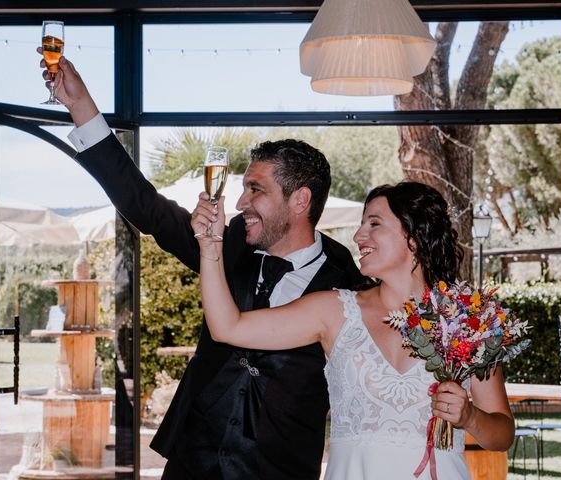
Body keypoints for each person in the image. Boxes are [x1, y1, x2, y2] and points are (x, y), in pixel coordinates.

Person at [40, 54, 366, 479]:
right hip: (191, 462)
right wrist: (81, 105)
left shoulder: (350, 288)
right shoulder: (225, 245)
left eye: (255, 190)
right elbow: (146, 207)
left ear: (300, 201)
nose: (242, 202)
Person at [195, 181, 515, 479]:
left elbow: (502, 434)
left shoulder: (467, 320)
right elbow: (228, 328)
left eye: (374, 224)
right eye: (362, 224)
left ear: (415, 237)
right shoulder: (334, 311)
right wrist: (210, 246)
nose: (359, 236)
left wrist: (470, 417)